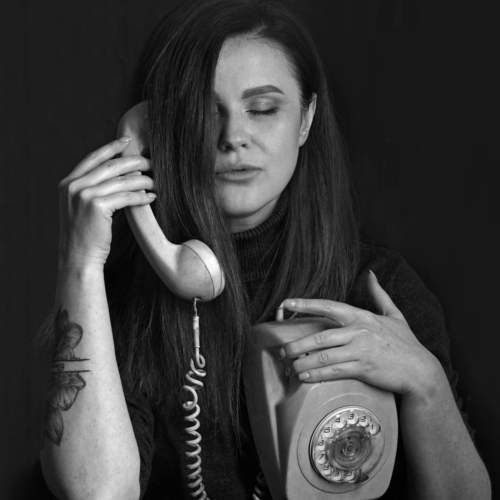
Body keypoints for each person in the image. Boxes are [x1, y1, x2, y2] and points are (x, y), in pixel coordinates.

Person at [39, 0, 491, 498]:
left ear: (305, 120)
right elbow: (97, 492)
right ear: (157, 132)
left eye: (262, 109)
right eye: (205, 112)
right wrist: (80, 265)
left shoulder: (380, 288)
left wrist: (426, 383)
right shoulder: (122, 304)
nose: (234, 137)